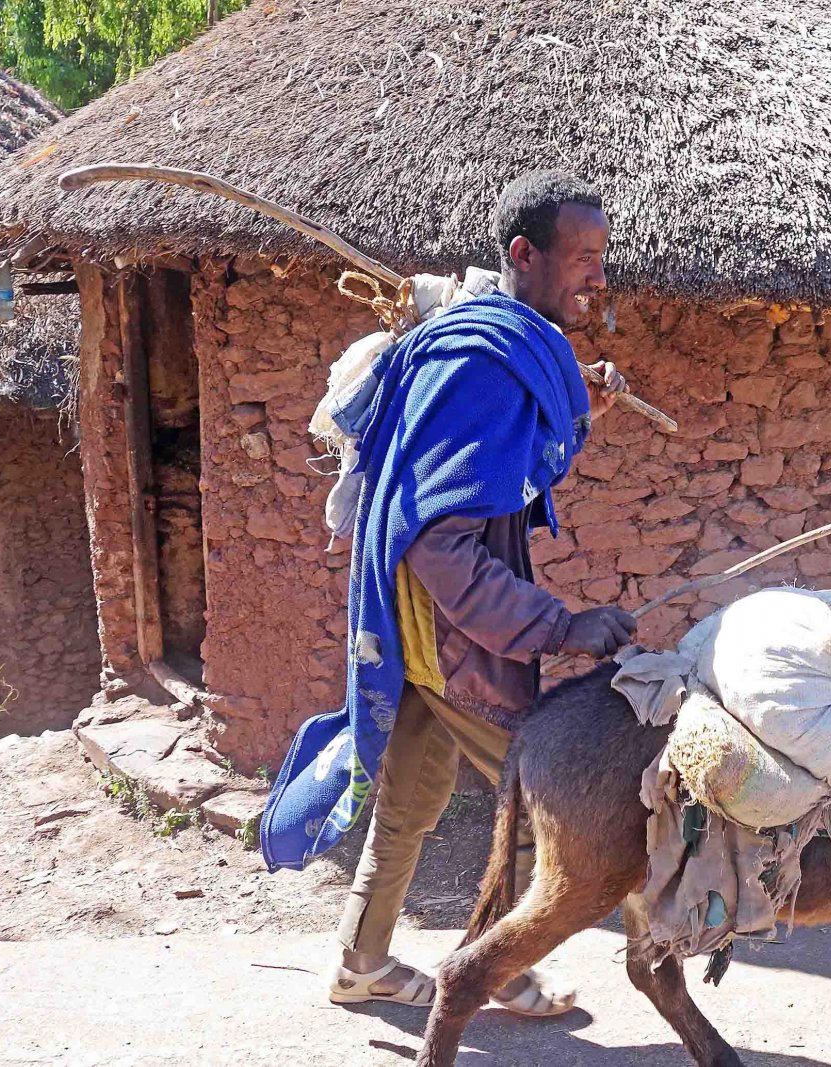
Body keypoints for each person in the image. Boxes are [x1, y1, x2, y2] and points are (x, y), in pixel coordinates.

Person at [323, 170, 637, 1013]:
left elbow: (496, 470)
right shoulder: (481, 366)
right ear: (524, 254)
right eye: (582, 256)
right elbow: (442, 539)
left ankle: (361, 960)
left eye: (602, 255)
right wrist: (559, 624)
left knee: (412, 795)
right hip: (448, 624)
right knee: (543, 787)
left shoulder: (493, 346)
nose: (597, 274)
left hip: (417, 615)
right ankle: (499, 966)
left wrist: (582, 408)